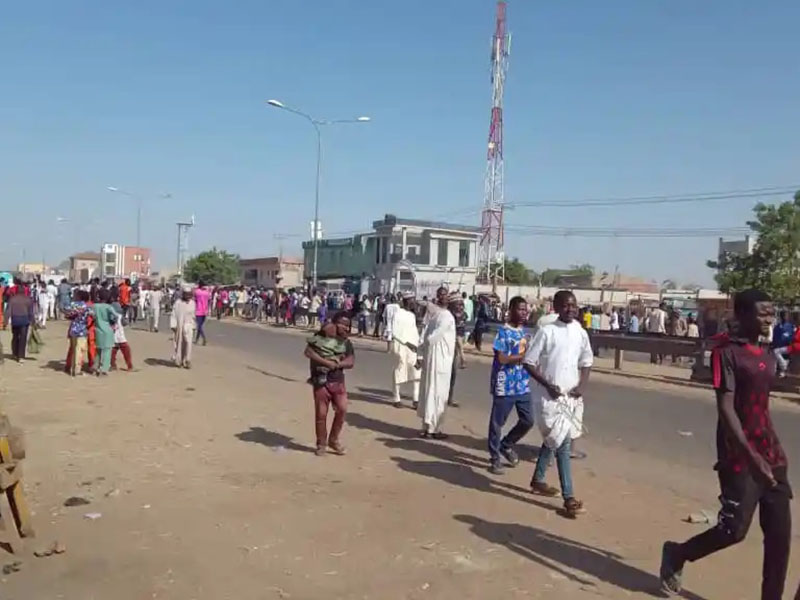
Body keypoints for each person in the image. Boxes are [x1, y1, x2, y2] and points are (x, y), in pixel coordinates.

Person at [660, 289, 790, 600]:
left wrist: (765, 458)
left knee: (779, 537)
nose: (769, 318)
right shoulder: (726, 353)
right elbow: (726, 408)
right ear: (743, 315)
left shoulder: (770, 354)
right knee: (734, 531)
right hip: (739, 454)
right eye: (762, 313)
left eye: (771, 312)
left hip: (772, 451)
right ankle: (678, 553)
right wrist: (751, 458)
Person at [523, 290, 593, 519]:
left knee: (556, 438)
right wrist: (548, 384)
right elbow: (529, 363)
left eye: (574, 306)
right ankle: (569, 498)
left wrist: (581, 386)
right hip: (549, 398)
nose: (571, 310)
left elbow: (587, 362)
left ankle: (538, 479)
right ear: (557, 307)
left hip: (571, 399)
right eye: (566, 306)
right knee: (561, 445)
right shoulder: (546, 331)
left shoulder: (580, 332)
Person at [487, 296, 533, 475]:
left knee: (528, 420)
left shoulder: (525, 333)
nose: (524, 313)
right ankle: (494, 457)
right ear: (511, 310)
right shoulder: (502, 333)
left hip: (522, 384)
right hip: (504, 384)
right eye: (520, 309)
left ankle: (506, 445)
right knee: (497, 423)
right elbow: (502, 358)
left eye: (525, 310)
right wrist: (523, 357)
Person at [305, 313, 355, 456]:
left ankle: (333, 440)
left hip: (338, 381)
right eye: (343, 324)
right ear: (333, 323)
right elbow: (308, 352)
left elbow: (351, 362)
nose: (346, 328)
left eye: (348, 325)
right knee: (321, 413)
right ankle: (321, 444)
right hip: (320, 381)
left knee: (342, 409)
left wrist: (338, 363)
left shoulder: (346, 342)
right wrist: (326, 362)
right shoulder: (320, 337)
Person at [416, 287, 456, 439]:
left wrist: (421, 350)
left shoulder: (437, 315)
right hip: (440, 361)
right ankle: (433, 429)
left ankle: (427, 427)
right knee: (437, 394)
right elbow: (432, 337)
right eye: (457, 305)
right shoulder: (446, 317)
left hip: (434, 358)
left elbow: (426, 336)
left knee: (430, 392)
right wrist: (424, 346)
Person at [390, 295, 421, 408]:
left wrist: (418, 345)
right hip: (401, 346)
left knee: (416, 372)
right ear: (405, 301)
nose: (413, 303)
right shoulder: (398, 314)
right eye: (411, 301)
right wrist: (407, 343)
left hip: (413, 348)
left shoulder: (412, 315)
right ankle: (396, 398)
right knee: (399, 371)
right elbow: (394, 332)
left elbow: (414, 332)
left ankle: (416, 399)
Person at [63, 290, 93, 376]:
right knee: (79, 350)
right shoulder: (86, 306)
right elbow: (93, 315)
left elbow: (65, 310)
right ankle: (77, 370)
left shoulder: (73, 304)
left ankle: (72, 368)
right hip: (82, 330)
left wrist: (72, 316)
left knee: (73, 349)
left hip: (73, 329)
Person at [91, 289, 117, 376]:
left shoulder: (94, 306)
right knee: (107, 351)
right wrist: (113, 323)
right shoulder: (109, 307)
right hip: (108, 330)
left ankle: (95, 366)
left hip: (98, 329)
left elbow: (91, 314)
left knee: (98, 350)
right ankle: (104, 369)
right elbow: (116, 316)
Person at [7, 284, 34, 363]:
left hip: (15, 320)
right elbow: (31, 313)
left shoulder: (12, 299)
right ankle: (21, 356)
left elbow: (8, 311)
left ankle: (15, 353)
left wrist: (5, 321)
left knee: (15, 337)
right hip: (24, 321)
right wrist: (33, 322)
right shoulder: (28, 300)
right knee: (23, 338)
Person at [171, 286, 196, 368]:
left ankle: (187, 360)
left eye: (189, 294)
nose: (188, 296)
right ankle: (179, 360)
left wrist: (194, 326)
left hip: (189, 325)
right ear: (183, 294)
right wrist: (173, 325)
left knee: (188, 343)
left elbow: (193, 315)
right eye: (186, 294)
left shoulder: (192, 303)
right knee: (179, 343)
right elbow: (173, 314)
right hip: (180, 326)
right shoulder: (178, 303)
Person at [194, 280, 210, 346]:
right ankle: (197, 339)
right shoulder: (207, 292)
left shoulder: (196, 292)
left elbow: (194, 300)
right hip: (205, 311)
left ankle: (204, 338)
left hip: (198, 310)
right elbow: (209, 301)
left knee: (199, 326)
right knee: (200, 326)